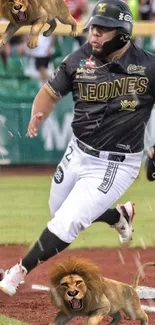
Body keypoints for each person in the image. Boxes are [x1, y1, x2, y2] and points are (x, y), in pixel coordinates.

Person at [0, 0, 150, 297]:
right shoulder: (79, 59)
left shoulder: (148, 66)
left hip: (116, 162)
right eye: (93, 26)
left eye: (103, 29)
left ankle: (18, 271)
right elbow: (49, 91)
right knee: (58, 211)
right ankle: (117, 217)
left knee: (67, 222)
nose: (94, 33)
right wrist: (37, 114)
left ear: (123, 33)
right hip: (78, 150)